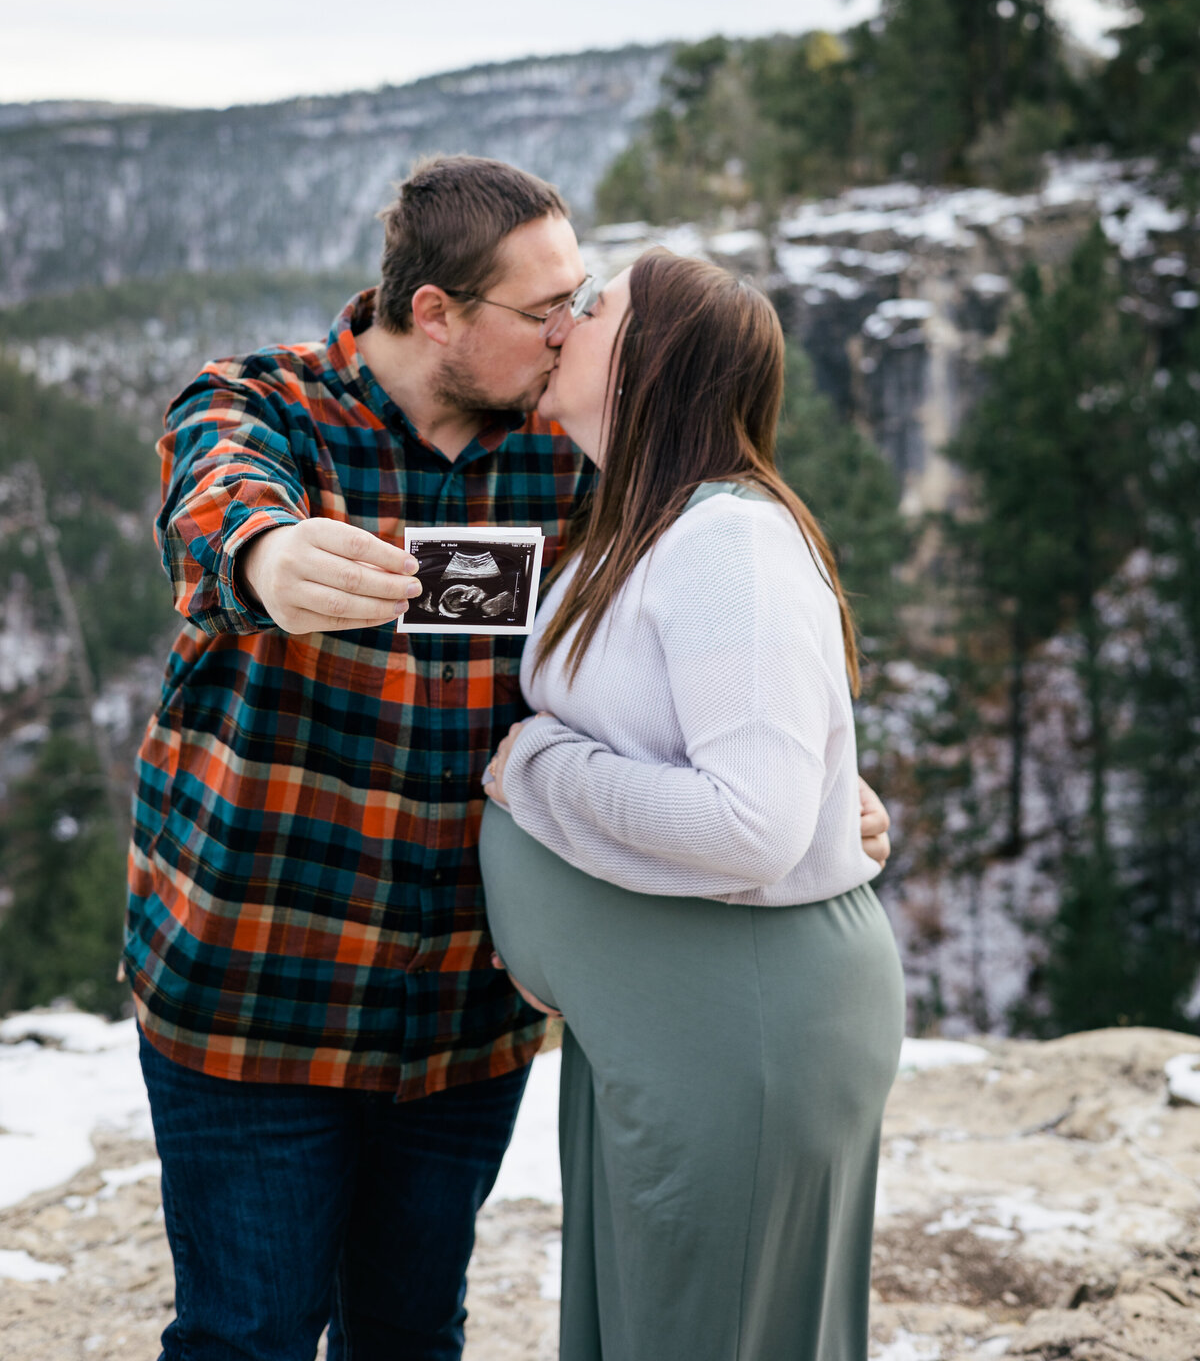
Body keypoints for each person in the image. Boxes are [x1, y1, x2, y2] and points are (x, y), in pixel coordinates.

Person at [126, 154, 893, 1361]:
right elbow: (218, 495)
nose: (568, 331)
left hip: (461, 1019)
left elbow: (689, 659)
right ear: (436, 312)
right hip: (263, 992)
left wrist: (809, 776)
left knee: (415, 1330)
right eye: (547, 313)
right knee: (247, 1336)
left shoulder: (574, 469)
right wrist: (269, 560)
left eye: (582, 301)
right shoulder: (264, 407)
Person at [480, 249, 906, 1361]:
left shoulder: (727, 543)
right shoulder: (632, 528)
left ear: (649, 358)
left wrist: (530, 771)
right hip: (656, 1026)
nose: (566, 324)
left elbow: (748, 826)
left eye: (594, 305)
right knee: (646, 1323)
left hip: (741, 1032)